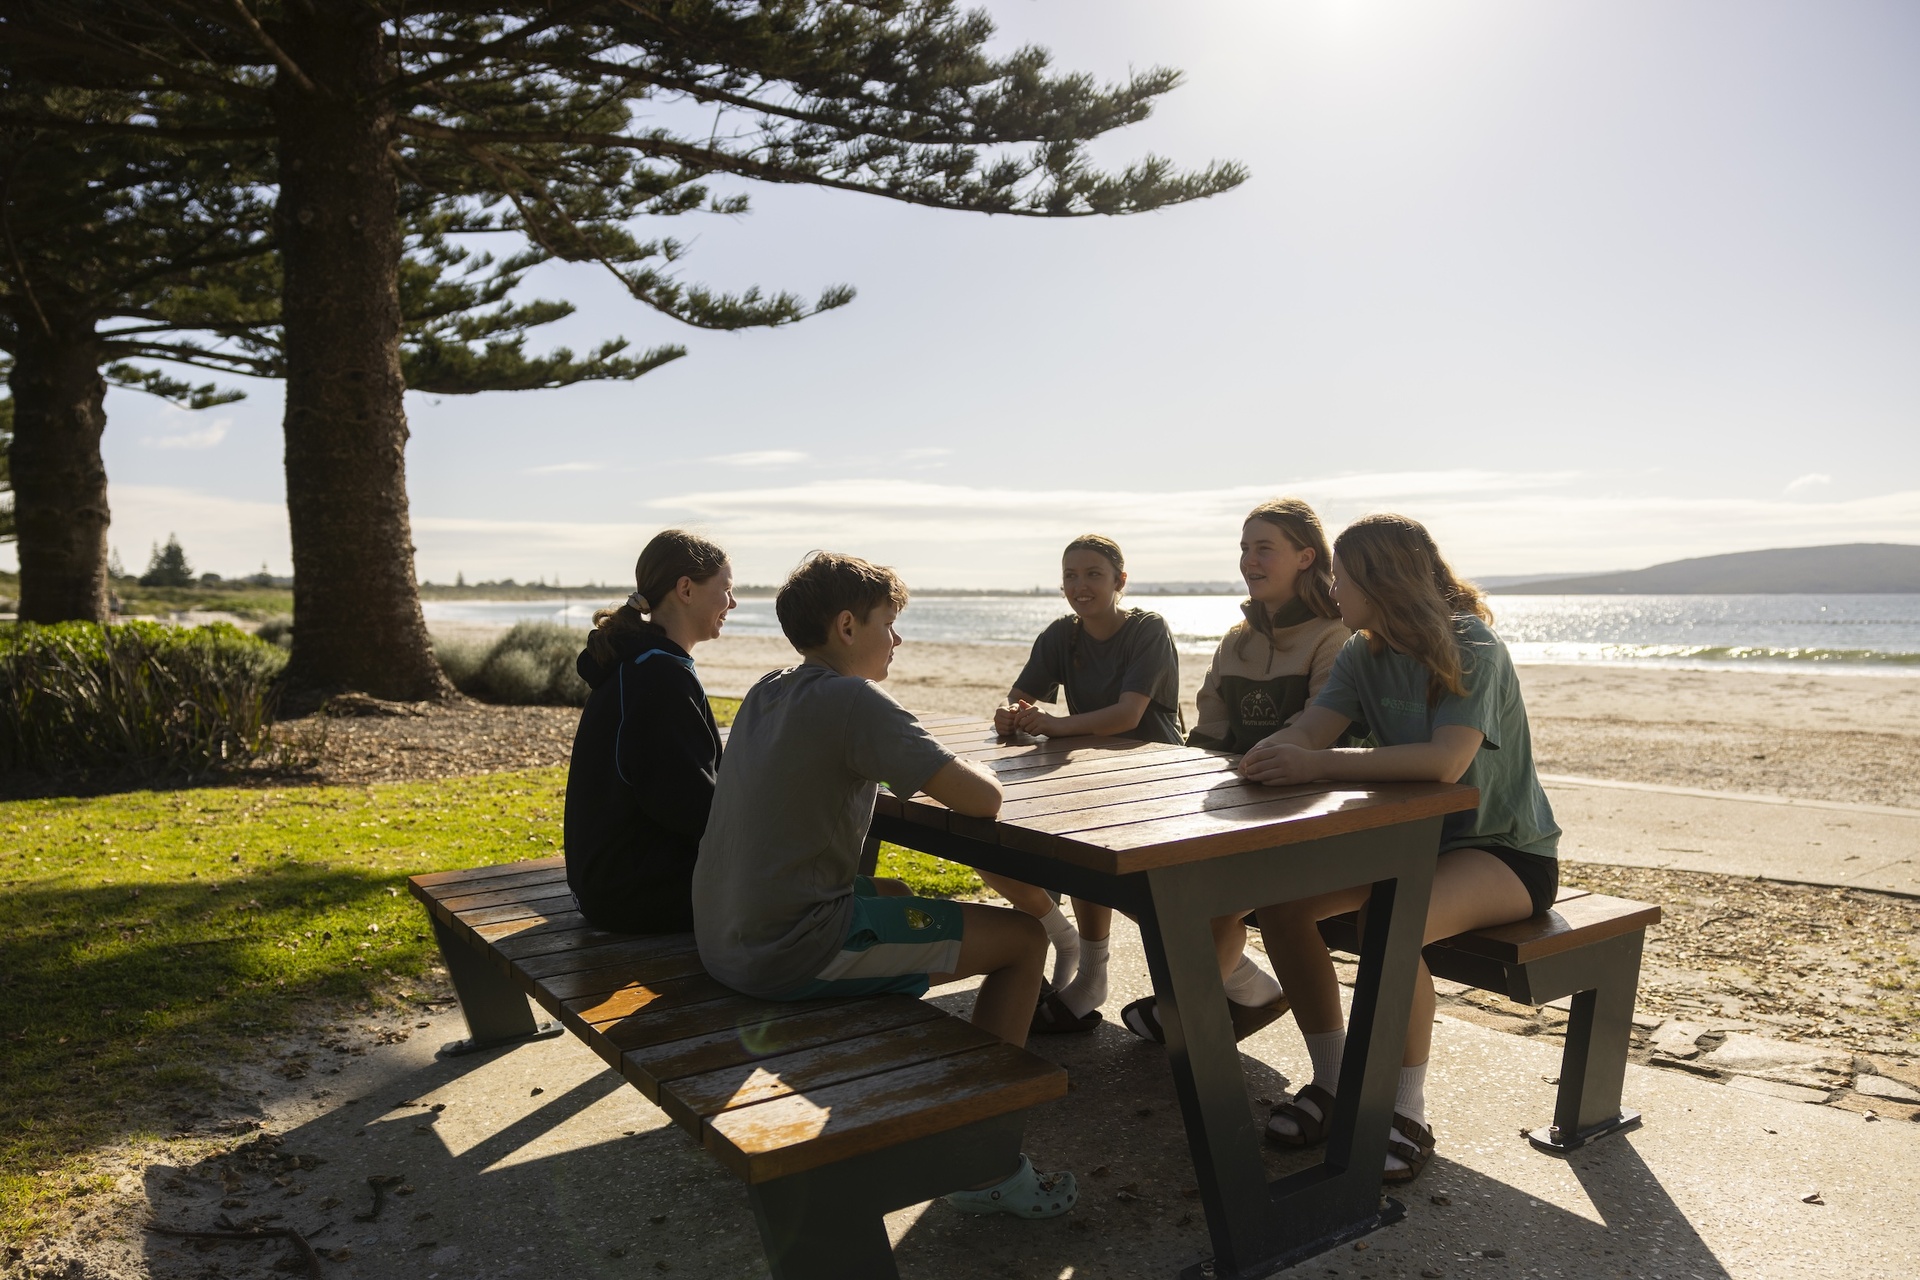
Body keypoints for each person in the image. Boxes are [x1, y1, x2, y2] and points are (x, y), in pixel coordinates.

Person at [693, 551, 1077, 1219]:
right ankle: (980, 1157)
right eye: (888, 624)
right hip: (787, 949)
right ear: (847, 625)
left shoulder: (767, 690)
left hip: (723, 934)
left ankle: (941, 1089)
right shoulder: (852, 699)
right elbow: (981, 800)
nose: (897, 641)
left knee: (896, 896)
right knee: (1020, 939)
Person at [1243, 513, 1561, 1185]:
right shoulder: (1362, 650)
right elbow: (1314, 730)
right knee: (1281, 906)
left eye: (1342, 577)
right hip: (1409, 847)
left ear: (1380, 579)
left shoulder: (1470, 644)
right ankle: (1335, 1084)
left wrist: (1317, 767)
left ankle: (1406, 1111)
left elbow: (1447, 763)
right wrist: (1276, 753)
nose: (1331, 590)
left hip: (1505, 854)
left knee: (1392, 922)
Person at [1118, 498, 1352, 1045]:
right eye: (1244, 549)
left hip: (1309, 814)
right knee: (1148, 880)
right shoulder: (1235, 641)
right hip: (1240, 805)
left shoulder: (1334, 638)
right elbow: (1209, 736)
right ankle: (1239, 996)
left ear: (1304, 557)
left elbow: (1316, 735)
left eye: (1264, 548)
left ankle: (1189, 1012)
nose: (1249, 559)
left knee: (1214, 896)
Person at [981, 534, 1180, 1033]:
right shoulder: (1060, 635)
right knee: (995, 853)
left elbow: (1127, 716)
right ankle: (1077, 957)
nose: (1080, 585)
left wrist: (1052, 724)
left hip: (1156, 776)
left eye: (1093, 574)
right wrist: (1012, 716)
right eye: (1071, 575)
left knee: (1139, 892)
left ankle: (1243, 982)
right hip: (1087, 773)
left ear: (1120, 580)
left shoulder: (1147, 629)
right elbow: (1021, 698)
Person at [563, 529, 735, 934]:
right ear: (686, 589)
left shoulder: (640, 663)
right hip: (634, 894)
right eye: (726, 590)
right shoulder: (660, 676)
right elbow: (689, 806)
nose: (732, 603)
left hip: (612, 884)